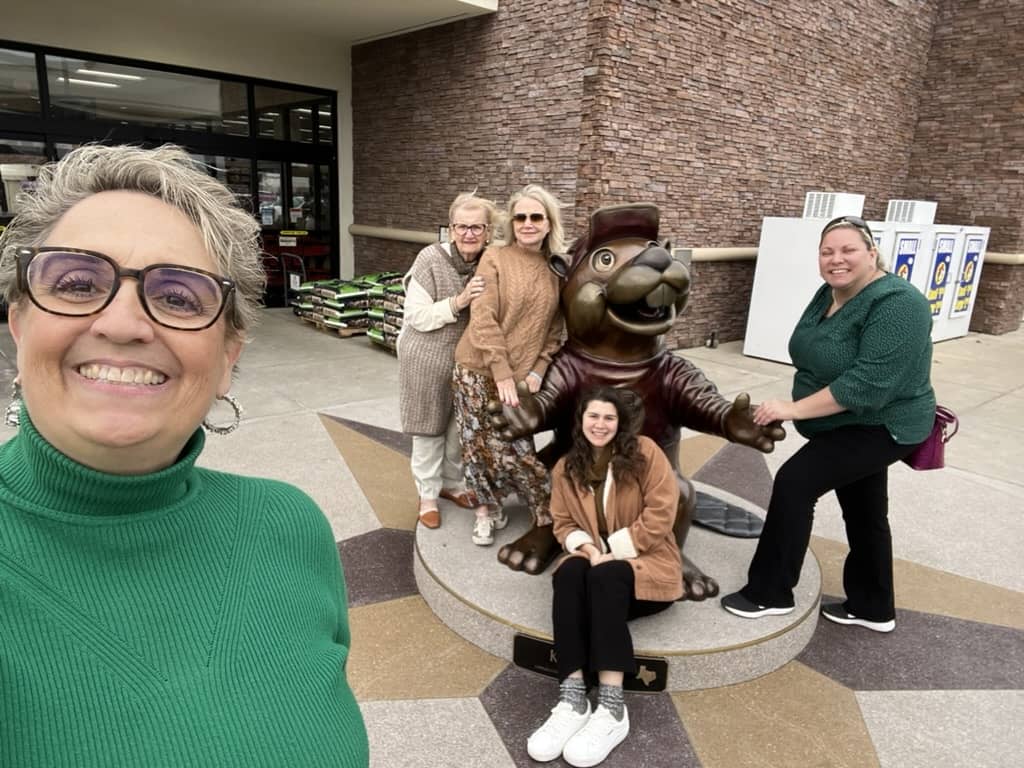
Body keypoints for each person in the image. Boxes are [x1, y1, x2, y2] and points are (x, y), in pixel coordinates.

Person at [0, 144, 369, 767]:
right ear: (19, 325)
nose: (123, 324)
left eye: (177, 297)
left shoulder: (290, 526)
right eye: (77, 283)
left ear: (227, 357)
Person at [720, 214, 936, 633]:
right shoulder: (830, 293)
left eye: (848, 250)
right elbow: (813, 350)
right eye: (826, 252)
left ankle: (769, 593)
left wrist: (791, 409)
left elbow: (867, 386)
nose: (836, 259)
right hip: (842, 422)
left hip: (883, 424)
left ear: (872, 253)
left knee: (796, 482)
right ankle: (874, 606)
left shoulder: (900, 304)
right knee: (865, 510)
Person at [527, 387, 681, 767]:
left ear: (620, 422)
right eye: (593, 416)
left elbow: (663, 512)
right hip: (598, 566)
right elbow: (562, 523)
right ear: (581, 421)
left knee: (605, 577)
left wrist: (616, 549)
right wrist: (590, 549)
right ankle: (573, 699)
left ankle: (612, 708)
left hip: (645, 568)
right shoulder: (567, 467)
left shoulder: (645, 453)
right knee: (569, 572)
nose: (600, 424)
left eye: (609, 417)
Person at [452, 183, 564, 546]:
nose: (527, 224)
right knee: (477, 445)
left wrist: (538, 370)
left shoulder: (558, 269)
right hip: (476, 368)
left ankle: (546, 515)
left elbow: (555, 330)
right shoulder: (495, 257)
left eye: (536, 217)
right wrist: (500, 370)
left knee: (518, 449)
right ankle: (485, 512)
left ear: (549, 223)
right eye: (520, 217)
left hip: (520, 379)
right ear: (512, 223)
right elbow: (482, 316)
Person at [397, 192, 496, 528]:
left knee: (458, 429)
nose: (469, 233)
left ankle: (451, 484)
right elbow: (416, 316)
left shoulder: (491, 262)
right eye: (462, 227)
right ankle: (427, 495)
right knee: (429, 429)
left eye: (476, 227)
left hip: (467, 362)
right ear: (451, 229)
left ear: (487, 231)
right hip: (426, 357)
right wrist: (459, 301)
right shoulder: (430, 258)